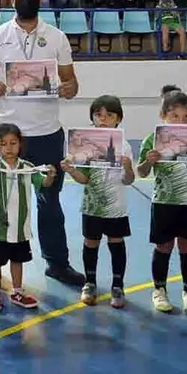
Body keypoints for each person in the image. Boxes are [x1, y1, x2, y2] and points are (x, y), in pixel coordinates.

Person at [0, 0, 83, 289]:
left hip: (47, 133)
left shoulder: (57, 37)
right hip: (6, 133)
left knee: (49, 201)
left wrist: (67, 89)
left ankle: (57, 263)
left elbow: (72, 83)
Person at [137, 86, 187, 313]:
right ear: (164, 115)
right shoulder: (153, 139)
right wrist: (148, 161)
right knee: (164, 246)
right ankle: (159, 290)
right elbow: (141, 172)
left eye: (185, 117)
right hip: (163, 201)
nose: (181, 121)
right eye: (175, 116)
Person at [60, 95, 135, 308]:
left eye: (109, 115)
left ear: (118, 119)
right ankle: (90, 282)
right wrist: (72, 170)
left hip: (116, 206)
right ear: (92, 117)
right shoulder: (85, 146)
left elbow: (128, 180)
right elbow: (84, 179)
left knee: (116, 242)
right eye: (98, 114)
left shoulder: (125, 146)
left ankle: (118, 286)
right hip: (92, 205)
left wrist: (128, 166)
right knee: (91, 242)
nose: (103, 119)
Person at [0, 123, 54, 311]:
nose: (8, 148)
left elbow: (43, 183)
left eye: (13, 143)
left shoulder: (28, 168)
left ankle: (17, 291)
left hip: (19, 227)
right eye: (3, 144)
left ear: (20, 145)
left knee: (17, 260)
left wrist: (50, 176)